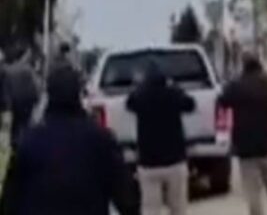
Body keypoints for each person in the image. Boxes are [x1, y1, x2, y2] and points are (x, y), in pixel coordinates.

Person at [0, 66, 138, 215]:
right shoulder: (101, 140)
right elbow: (126, 197)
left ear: (48, 94)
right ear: (78, 93)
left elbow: (10, 200)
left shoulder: (28, 142)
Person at [219, 54, 267, 215]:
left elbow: (222, 101)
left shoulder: (236, 85)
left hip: (246, 149)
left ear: (243, 67)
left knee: (253, 194)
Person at [126, 60, 196, 215]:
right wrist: (175, 86)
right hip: (175, 161)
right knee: (178, 208)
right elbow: (191, 104)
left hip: (148, 163)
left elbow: (129, 103)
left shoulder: (140, 95)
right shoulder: (173, 93)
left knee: (150, 209)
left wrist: (138, 86)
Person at [5, 48, 39, 149]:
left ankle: (12, 146)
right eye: (28, 55)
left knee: (12, 129)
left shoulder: (8, 69)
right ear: (24, 55)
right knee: (23, 129)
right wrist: (35, 100)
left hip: (11, 104)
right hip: (25, 105)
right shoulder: (28, 70)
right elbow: (35, 89)